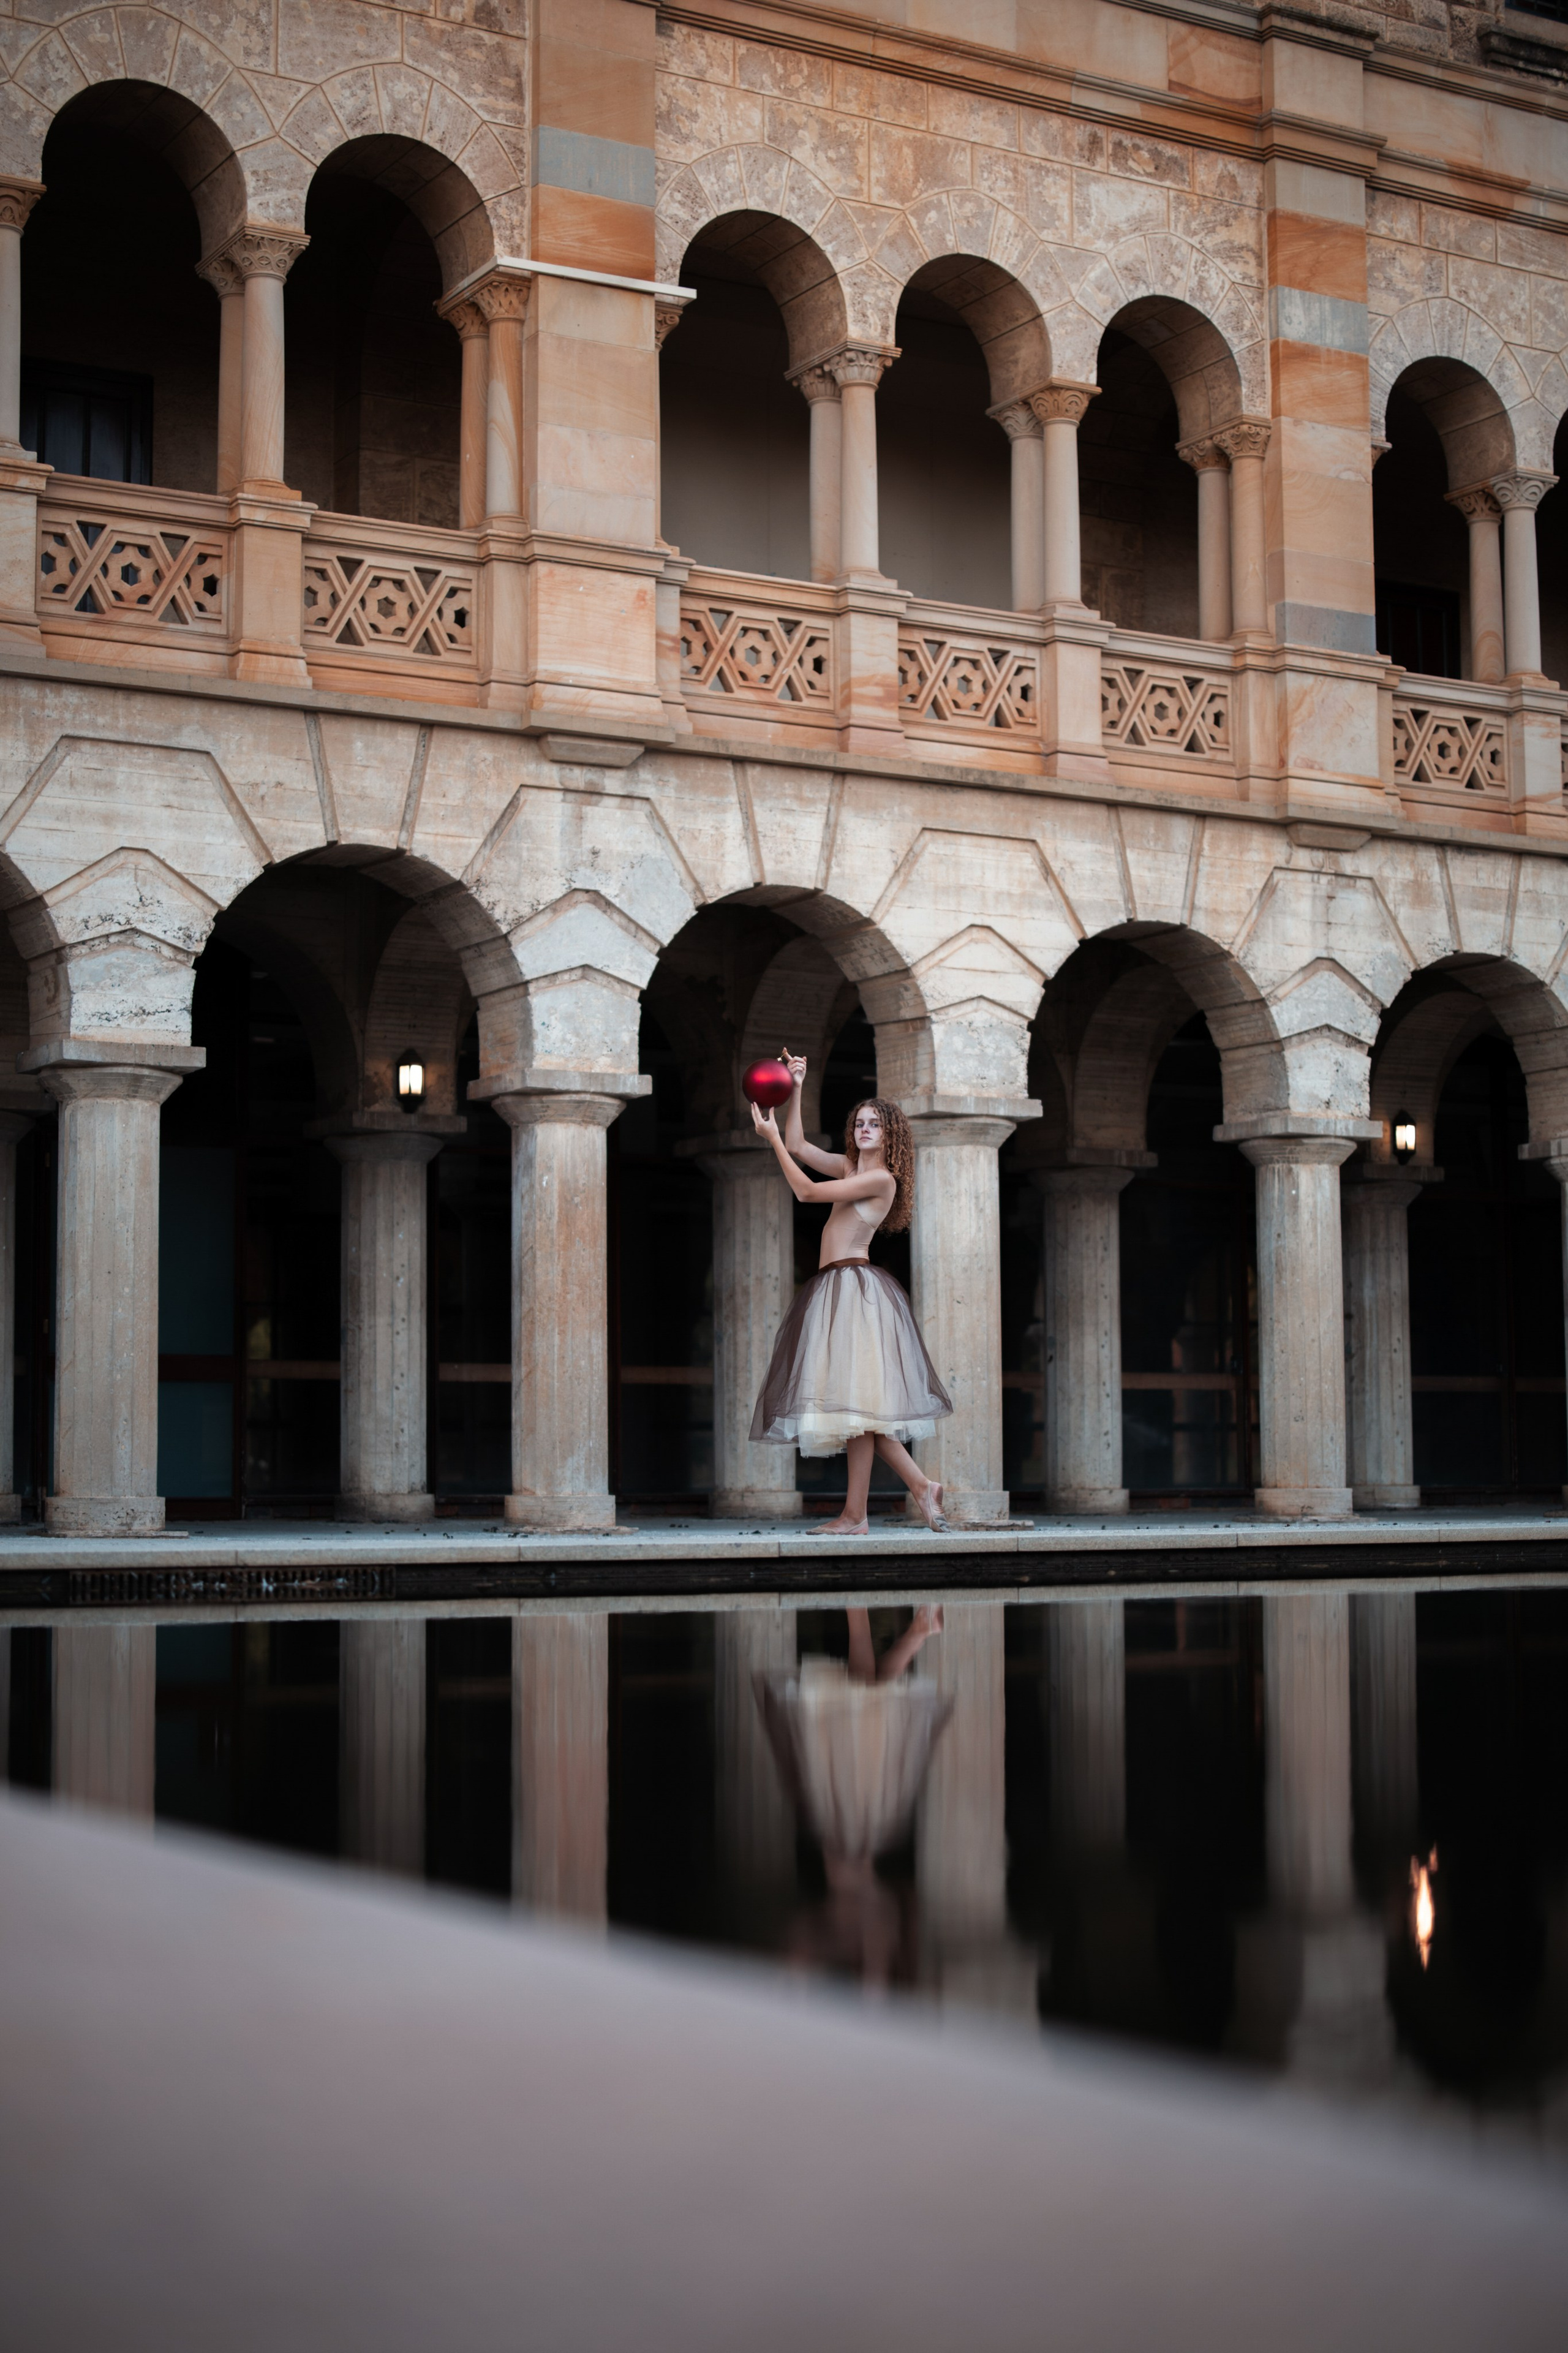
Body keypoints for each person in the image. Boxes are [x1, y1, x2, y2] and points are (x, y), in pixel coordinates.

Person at [748, 1051, 952, 1534]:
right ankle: (876, 1507)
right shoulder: (849, 1168)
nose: (864, 1129)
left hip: (852, 1290)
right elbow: (800, 1143)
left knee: (857, 1406)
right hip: (835, 1288)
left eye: (874, 1125)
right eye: (860, 1122)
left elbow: (804, 1192)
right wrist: (798, 1084)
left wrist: (771, 1139)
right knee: (856, 1410)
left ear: (890, 1136)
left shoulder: (879, 1179)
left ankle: (897, 1496)